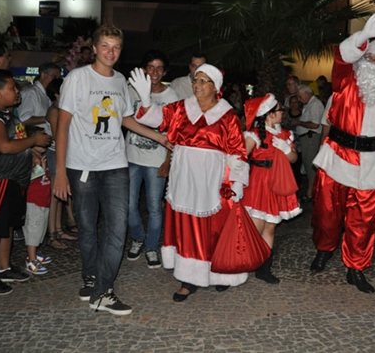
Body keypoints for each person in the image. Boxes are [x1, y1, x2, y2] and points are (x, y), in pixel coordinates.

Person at [52, 24, 166, 315]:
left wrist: (158, 136)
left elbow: (126, 119)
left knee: (117, 228)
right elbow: (62, 124)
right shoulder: (78, 78)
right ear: (94, 48)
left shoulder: (120, 81)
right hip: (81, 166)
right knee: (88, 228)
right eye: (105, 46)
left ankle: (103, 291)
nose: (110, 52)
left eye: (115, 47)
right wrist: (61, 171)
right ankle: (90, 276)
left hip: (116, 164)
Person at [309, 11, 375, 293]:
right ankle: (324, 248)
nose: (371, 60)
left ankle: (355, 268)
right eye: (368, 56)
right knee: (327, 214)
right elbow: (342, 57)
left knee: (363, 222)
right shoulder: (344, 83)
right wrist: (362, 37)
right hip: (337, 157)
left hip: (372, 164)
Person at [130, 62, 250, 302]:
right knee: (188, 225)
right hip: (184, 176)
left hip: (214, 179)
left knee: (215, 227)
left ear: (216, 87)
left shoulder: (227, 116)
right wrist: (146, 101)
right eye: (196, 80)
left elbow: (237, 152)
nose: (197, 85)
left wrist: (236, 184)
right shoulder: (181, 108)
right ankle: (189, 278)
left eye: (203, 80)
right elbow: (157, 119)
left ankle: (220, 273)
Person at [0, 69, 52, 294]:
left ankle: (4, 267)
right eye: (12, 88)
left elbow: (15, 141)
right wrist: (34, 140)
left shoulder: (7, 114)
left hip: (14, 179)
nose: (17, 91)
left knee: (7, 225)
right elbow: (5, 146)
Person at [125, 49, 179, 269]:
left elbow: (174, 132)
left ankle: (151, 247)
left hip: (157, 159)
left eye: (159, 68)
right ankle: (138, 238)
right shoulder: (131, 90)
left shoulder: (171, 96)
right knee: (128, 205)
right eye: (150, 67)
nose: (155, 72)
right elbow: (123, 118)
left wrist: (168, 160)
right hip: (131, 156)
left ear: (164, 71)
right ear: (144, 69)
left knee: (155, 206)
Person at [241, 93, 302, 284]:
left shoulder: (286, 134)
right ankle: (237, 267)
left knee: (270, 228)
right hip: (259, 183)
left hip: (278, 182)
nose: (282, 113)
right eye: (279, 110)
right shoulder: (255, 134)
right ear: (268, 114)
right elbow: (241, 154)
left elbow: (294, 159)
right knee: (253, 229)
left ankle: (264, 268)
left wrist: (286, 150)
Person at [44, 77, 77, 250]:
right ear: (57, 94)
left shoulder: (59, 109)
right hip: (55, 154)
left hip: (58, 153)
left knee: (58, 196)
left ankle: (57, 230)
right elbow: (58, 137)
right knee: (54, 196)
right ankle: (52, 235)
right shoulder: (55, 111)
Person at [22, 125, 53, 275]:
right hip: (33, 200)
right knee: (33, 229)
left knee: (40, 228)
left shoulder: (42, 157)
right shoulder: (29, 157)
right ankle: (31, 258)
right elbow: (27, 178)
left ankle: (34, 253)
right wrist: (39, 167)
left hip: (43, 199)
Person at [291, 84, 324, 201]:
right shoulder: (309, 104)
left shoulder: (315, 105)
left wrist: (299, 123)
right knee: (308, 165)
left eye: (300, 97)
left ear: (306, 93)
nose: (299, 100)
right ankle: (311, 191)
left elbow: (315, 124)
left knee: (311, 166)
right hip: (307, 138)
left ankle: (311, 193)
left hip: (311, 138)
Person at [17, 62, 62, 128]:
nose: (56, 81)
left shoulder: (50, 94)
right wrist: (49, 118)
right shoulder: (31, 93)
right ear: (43, 75)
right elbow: (24, 119)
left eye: (58, 78)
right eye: (54, 77)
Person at [282, 94, 303, 188]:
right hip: (287, 147)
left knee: (297, 169)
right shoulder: (285, 115)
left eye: (296, 102)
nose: (294, 105)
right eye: (292, 103)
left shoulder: (303, 115)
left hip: (300, 147)